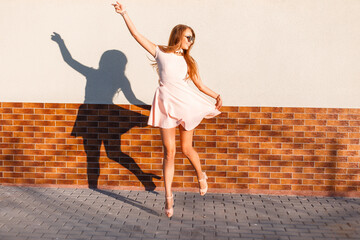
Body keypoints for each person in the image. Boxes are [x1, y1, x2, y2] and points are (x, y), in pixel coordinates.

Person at [112, 2, 222, 218]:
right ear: (178, 36)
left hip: (185, 105)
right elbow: (137, 35)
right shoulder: (161, 52)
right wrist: (125, 14)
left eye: (193, 38)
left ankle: (201, 175)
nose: (191, 41)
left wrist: (216, 95)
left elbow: (199, 85)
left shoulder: (189, 61)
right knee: (169, 153)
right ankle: (168, 198)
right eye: (188, 37)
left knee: (186, 149)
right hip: (165, 105)